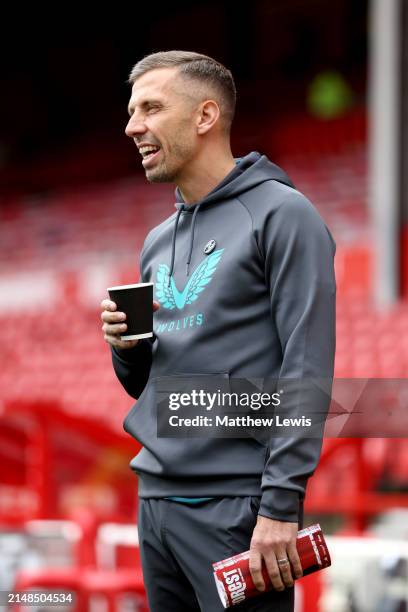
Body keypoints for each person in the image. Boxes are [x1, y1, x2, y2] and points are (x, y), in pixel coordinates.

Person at [100, 50, 336, 611]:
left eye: (152, 108)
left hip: (239, 508)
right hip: (156, 501)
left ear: (205, 116)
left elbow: (308, 369)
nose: (133, 126)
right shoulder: (156, 241)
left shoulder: (284, 214)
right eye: (133, 111)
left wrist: (280, 505)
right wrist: (129, 351)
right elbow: (148, 388)